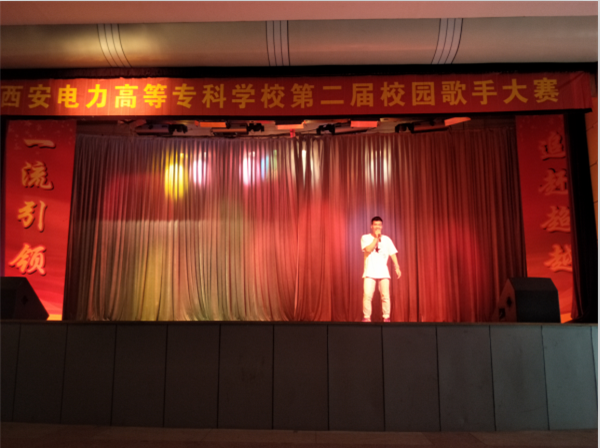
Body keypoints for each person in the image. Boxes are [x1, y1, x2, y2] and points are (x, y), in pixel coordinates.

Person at [360, 216, 401, 322]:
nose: (377, 227)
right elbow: (368, 249)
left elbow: (392, 253)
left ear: (382, 226)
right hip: (369, 271)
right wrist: (376, 239)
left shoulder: (387, 239)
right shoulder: (365, 237)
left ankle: (386, 317)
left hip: (383, 272)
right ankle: (367, 317)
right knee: (367, 295)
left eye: (379, 225)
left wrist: (397, 266)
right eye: (375, 225)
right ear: (371, 226)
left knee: (385, 296)